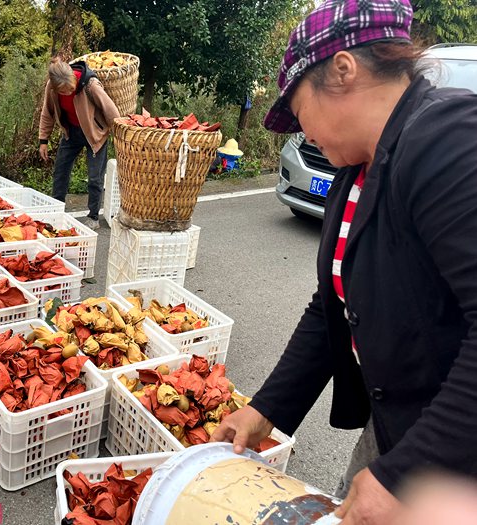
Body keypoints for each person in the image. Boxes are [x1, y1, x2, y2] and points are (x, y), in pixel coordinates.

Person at [211, 0, 477, 524]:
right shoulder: (356, 169)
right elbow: (333, 304)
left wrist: (404, 474)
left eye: (300, 108)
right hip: (400, 427)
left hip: (455, 443)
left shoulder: (447, 139)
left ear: (343, 69)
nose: (303, 132)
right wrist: (267, 410)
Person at [38, 57, 120, 230]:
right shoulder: (52, 88)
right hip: (71, 133)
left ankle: (93, 216)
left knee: (94, 178)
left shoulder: (90, 85)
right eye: (65, 91)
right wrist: (43, 140)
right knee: (60, 172)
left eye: (71, 88)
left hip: (94, 134)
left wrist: (121, 137)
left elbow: (112, 112)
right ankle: (57, 209)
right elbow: (48, 112)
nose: (69, 92)